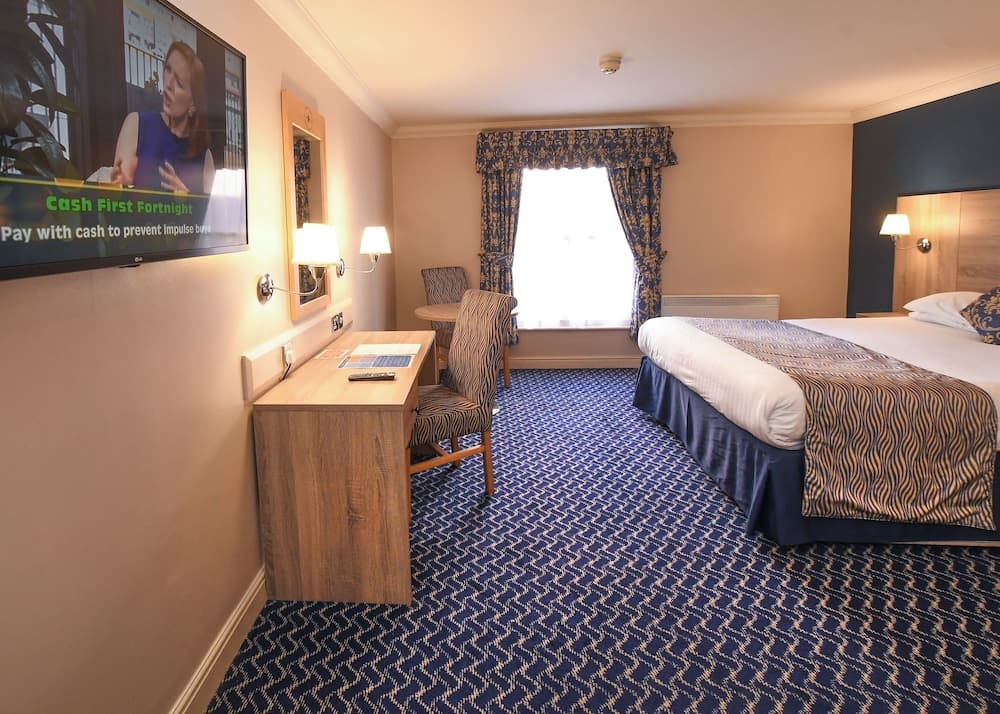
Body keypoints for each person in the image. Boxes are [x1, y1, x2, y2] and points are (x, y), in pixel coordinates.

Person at [111, 41, 215, 194]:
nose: (168, 84)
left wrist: (185, 198)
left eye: (179, 82)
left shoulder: (204, 158)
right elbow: (118, 191)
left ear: (193, 104)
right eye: (168, 70)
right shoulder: (136, 125)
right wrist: (120, 187)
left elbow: (210, 209)